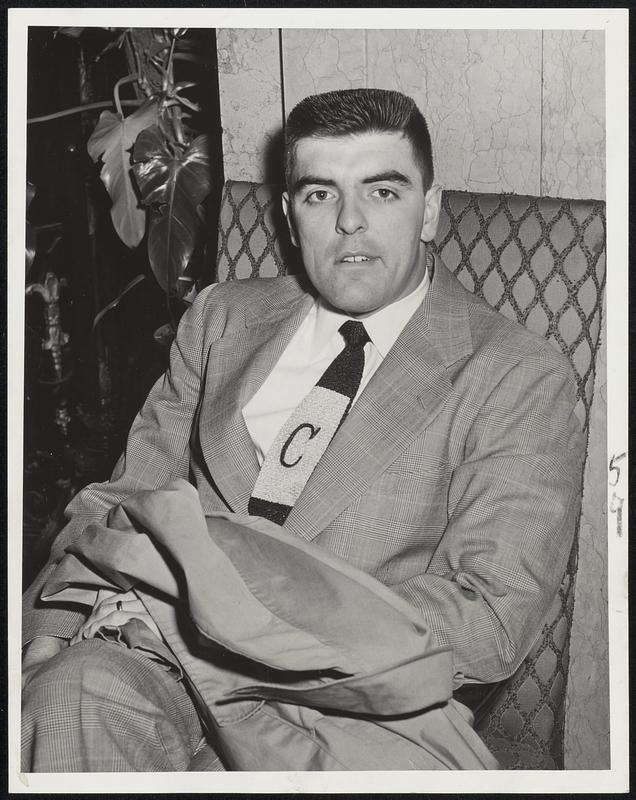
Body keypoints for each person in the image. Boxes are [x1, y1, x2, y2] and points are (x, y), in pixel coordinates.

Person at [21, 88, 585, 771]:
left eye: (382, 192)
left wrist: (222, 617)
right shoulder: (222, 319)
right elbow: (124, 498)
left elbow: (492, 615)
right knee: (63, 698)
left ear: (429, 210)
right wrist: (48, 633)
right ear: (290, 216)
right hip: (153, 663)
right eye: (321, 195)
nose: (351, 222)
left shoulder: (513, 372)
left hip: (347, 709)